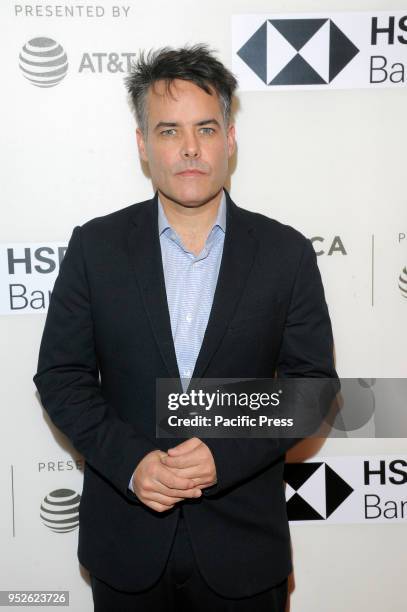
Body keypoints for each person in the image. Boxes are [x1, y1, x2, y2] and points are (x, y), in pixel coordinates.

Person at [33, 43, 338, 611]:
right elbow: (61, 377)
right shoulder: (95, 248)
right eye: (169, 131)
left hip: (245, 548)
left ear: (230, 138)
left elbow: (313, 387)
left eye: (205, 127)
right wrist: (131, 462)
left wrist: (224, 451)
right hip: (126, 545)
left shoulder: (285, 252)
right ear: (144, 145)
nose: (191, 148)